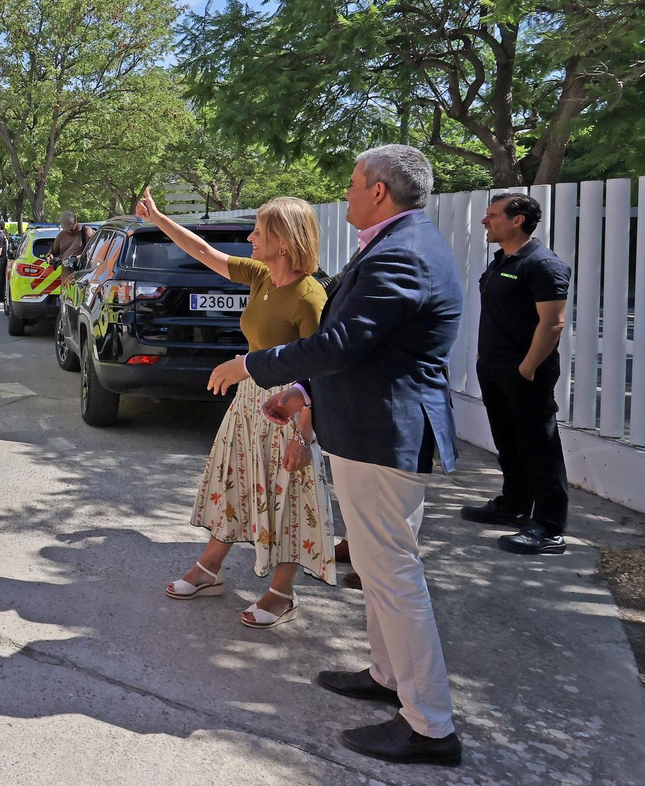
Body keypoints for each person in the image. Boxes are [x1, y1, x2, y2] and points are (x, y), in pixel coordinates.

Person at [209, 145, 464, 767]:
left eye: (352, 184)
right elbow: (363, 349)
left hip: (385, 435)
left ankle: (430, 726)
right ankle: (386, 676)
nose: (345, 194)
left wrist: (254, 366)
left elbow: (342, 340)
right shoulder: (396, 243)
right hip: (370, 429)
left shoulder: (402, 251)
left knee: (394, 575)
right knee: (379, 571)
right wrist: (300, 389)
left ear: (379, 190)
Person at [138, 188, 335, 626]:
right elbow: (204, 252)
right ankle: (209, 570)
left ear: (284, 241)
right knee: (232, 485)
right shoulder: (263, 276)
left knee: (287, 500)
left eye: (259, 231)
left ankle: (282, 594)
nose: (250, 238)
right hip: (248, 404)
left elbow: (319, 373)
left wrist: (305, 435)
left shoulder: (310, 296)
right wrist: (159, 220)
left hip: (288, 410)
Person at [464, 193, 571, 555]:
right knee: (508, 443)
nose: (485, 221)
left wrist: (526, 368)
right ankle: (513, 506)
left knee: (539, 448)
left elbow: (553, 323)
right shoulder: (501, 261)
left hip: (527, 375)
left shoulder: (542, 264)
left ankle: (550, 528)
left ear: (517, 220)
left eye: (492, 215)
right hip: (494, 370)